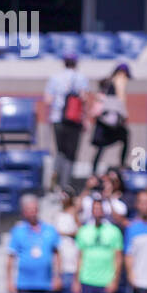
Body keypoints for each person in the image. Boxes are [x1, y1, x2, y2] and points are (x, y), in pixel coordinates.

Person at [7, 194, 61, 293]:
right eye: (29, 210)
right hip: (25, 284)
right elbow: (10, 258)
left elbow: (57, 255)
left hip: (45, 284)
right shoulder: (18, 231)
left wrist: (57, 277)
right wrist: (9, 281)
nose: (32, 213)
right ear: (24, 212)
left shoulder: (50, 230)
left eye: (34, 209)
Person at [44, 53, 88, 193]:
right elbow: (84, 99)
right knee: (71, 153)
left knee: (60, 150)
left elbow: (48, 100)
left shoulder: (55, 78)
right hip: (73, 120)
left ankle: (56, 172)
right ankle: (65, 184)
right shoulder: (80, 78)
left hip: (57, 119)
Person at [73, 196, 123, 293]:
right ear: (91, 211)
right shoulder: (83, 231)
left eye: (99, 209)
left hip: (106, 281)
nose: (97, 211)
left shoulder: (114, 231)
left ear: (104, 211)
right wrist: (76, 280)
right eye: (95, 208)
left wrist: (115, 280)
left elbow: (118, 258)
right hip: (86, 280)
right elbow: (79, 257)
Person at [89, 64, 130, 175]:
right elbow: (121, 101)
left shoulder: (106, 83)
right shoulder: (118, 80)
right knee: (124, 136)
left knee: (101, 147)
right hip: (110, 120)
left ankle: (93, 172)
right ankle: (121, 165)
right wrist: (124, 114)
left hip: (103, 120)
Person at [124, 189, 147, 293]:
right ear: (137, 205)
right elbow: (128, 254)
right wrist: (131, 274)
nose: (144, 206)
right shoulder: (132, 228)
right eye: (141, 202)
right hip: (140, 282)